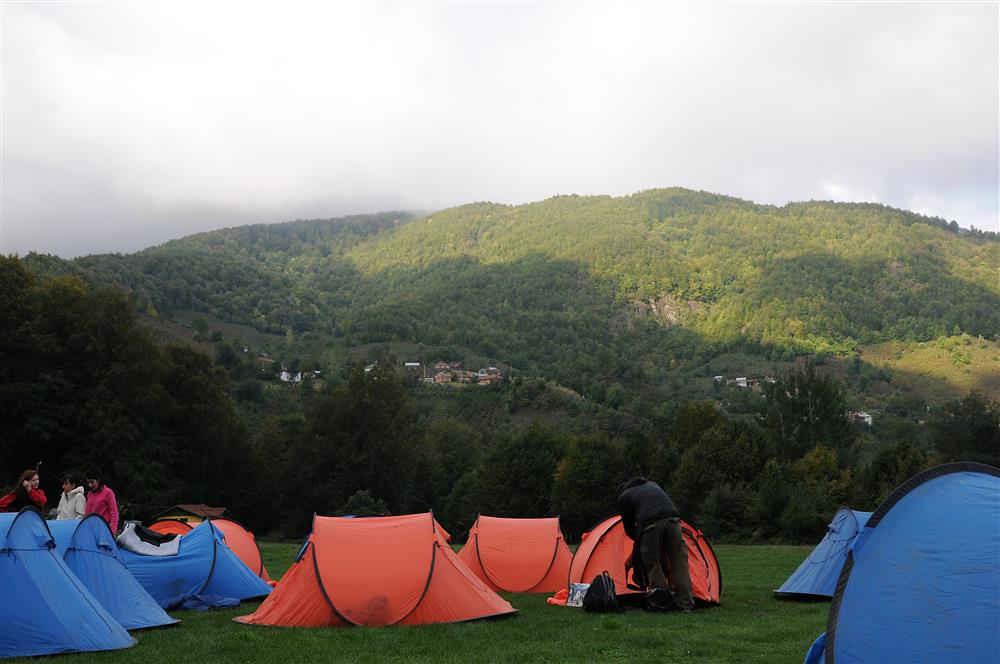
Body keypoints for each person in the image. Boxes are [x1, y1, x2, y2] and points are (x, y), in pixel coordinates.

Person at [617, 475, 694, 612]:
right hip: (674, 519)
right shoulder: (653, 484)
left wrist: (640, 542)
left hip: (650, 524)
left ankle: (663, 603)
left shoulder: (624, 497)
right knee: (679, 562)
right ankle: (685, 604)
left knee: (653, 564)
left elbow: (629, 528)